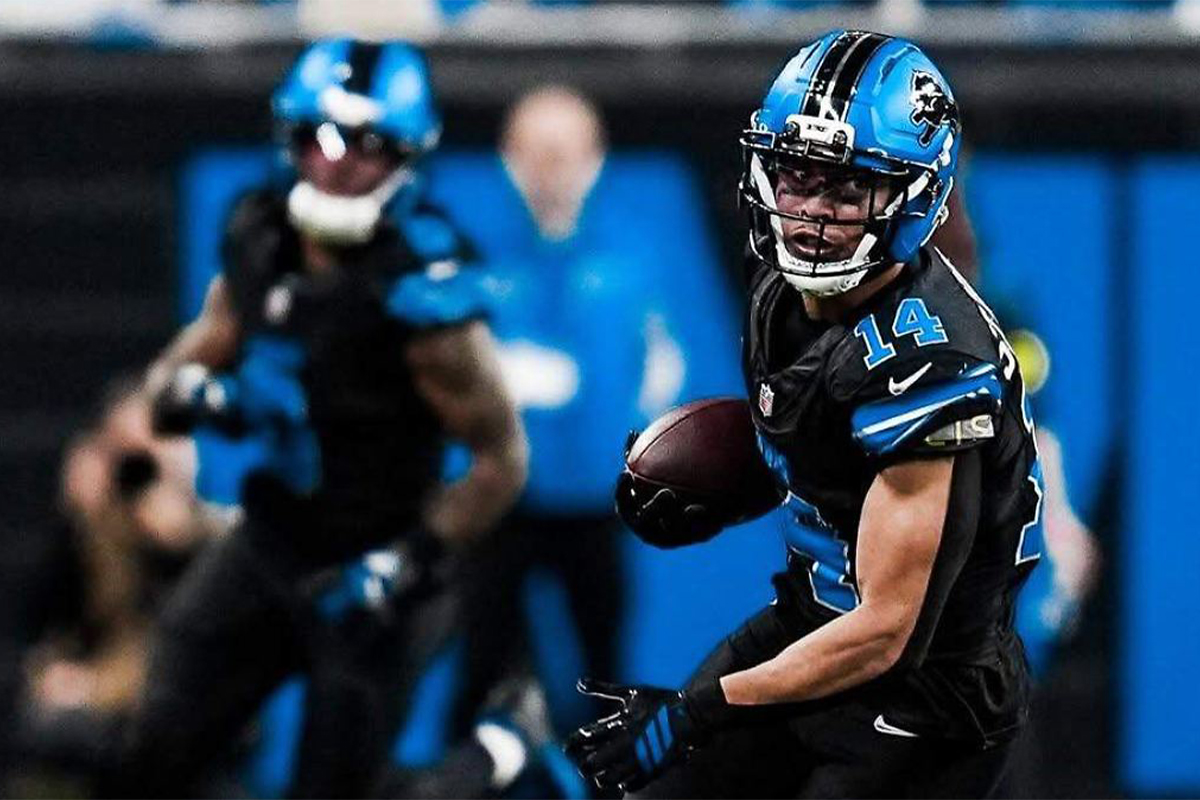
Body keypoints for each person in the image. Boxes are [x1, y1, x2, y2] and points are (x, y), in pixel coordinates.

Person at [568, 30, 1044, 798]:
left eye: (847, 191)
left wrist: (695, 713)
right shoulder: (782, 286)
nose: (811, 216)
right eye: (796, 177)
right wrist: (727, 474)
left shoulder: (930, 364)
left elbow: (887, 630)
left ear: (916, 196)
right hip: (812, 617)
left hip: (924, 695)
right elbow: (828, 448)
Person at [112, 38, 527, 797]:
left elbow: (502, 461)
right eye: (320, 139)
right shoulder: (262, 239)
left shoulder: (423, 294)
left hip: (376, 560)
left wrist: (405, 561)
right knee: (154, 751)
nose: (335, 166)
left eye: (365, 146)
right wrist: (204, 396)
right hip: (275, 537)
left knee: (336, 787)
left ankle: (491, 763)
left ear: (406, 156)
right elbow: (170, 386)